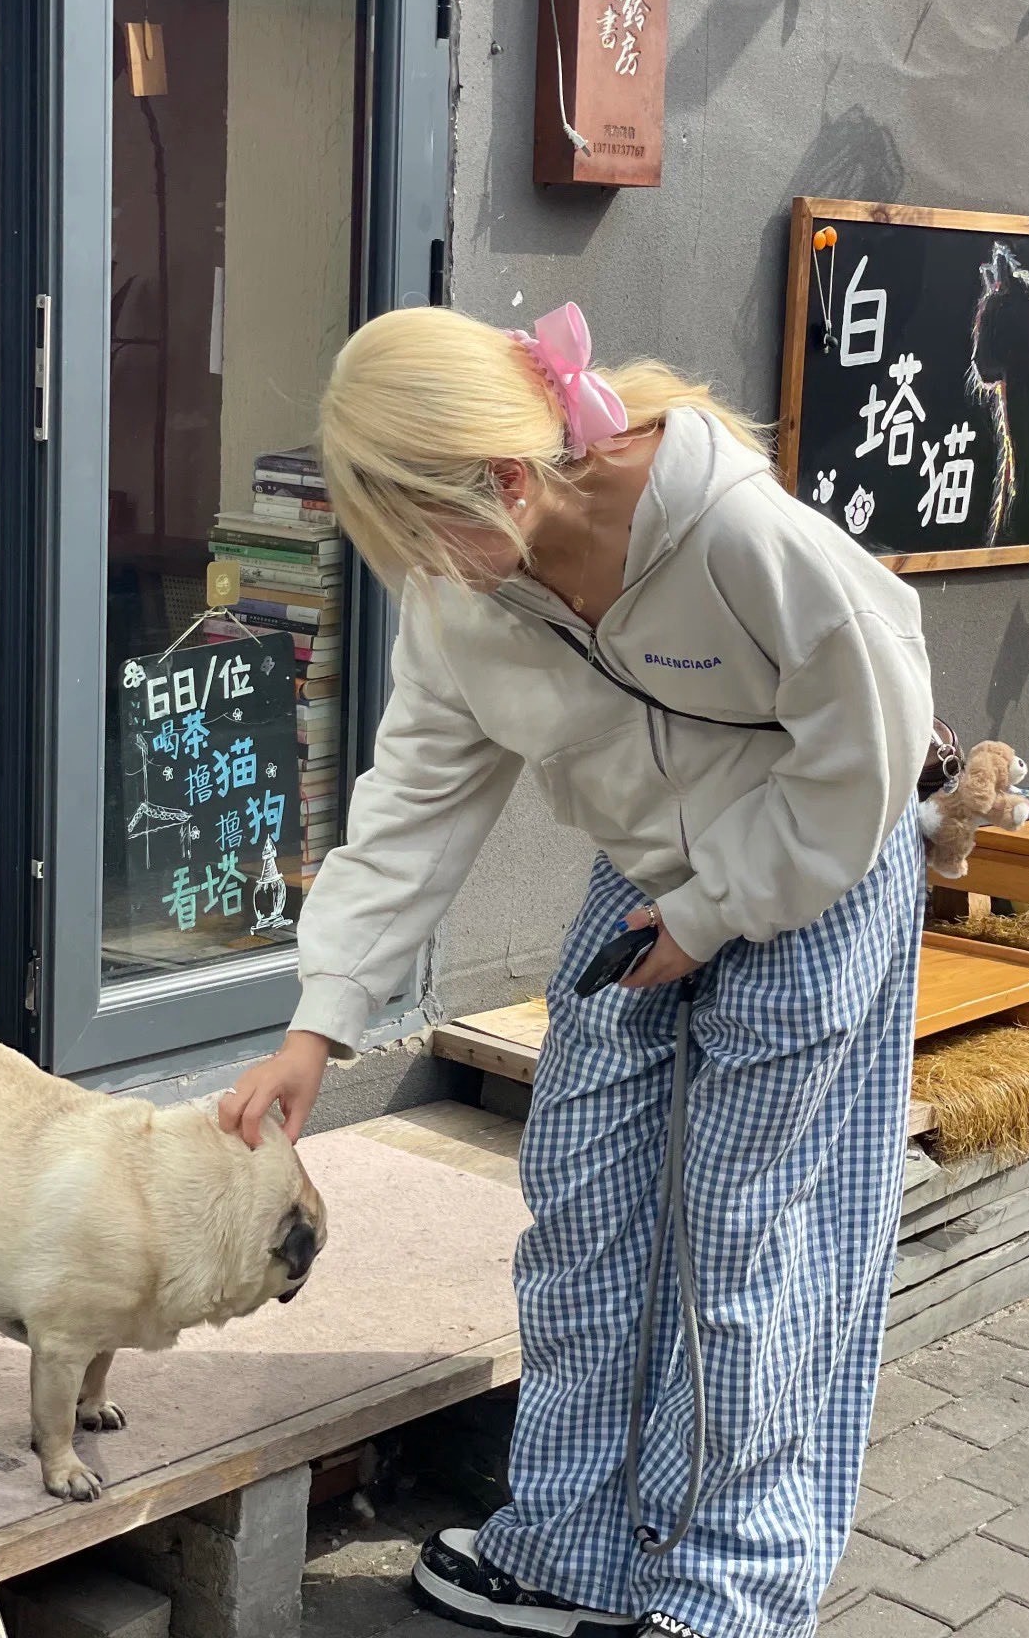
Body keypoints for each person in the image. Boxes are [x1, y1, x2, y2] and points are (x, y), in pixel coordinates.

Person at [219, 302, 933, 1638]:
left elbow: (869, 750)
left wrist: (714, 916)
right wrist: (317, 1027)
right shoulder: (461, 592)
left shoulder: (732, 530)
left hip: (816, 864)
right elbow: (414, 800)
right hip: (648, 878)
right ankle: (573, 1551)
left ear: (506, 476)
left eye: (425, 535)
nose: (423, 572)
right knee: (585, 1203)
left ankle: (726, 1590)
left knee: (744, 1241)